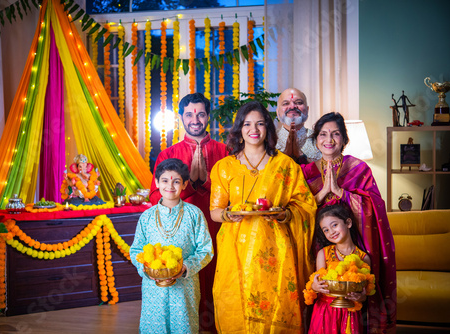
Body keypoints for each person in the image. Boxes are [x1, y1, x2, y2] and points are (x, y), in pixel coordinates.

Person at [209, 101, 317, 333]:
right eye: (247, 124)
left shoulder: (286, 166)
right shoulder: (224, 167)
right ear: (239, 129)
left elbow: (305, 205)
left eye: (259, 123)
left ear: (268, 128)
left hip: (276, 249)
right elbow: (215, 211)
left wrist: (286, 214)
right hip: (235, 247)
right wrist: (229, 214)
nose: (253, 129)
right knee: (234, 299)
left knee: (276, 300)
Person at [301, 112, 397, 334]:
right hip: (315, 247)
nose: (329, 139)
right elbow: (298, 211)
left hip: (353, 244)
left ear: (344, 139)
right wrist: (321, 193)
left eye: (336, 134)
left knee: (353, 300)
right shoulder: (305, 173)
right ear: (316, 140)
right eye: (323, 134)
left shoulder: (359, 169)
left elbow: (375, 207)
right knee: (320, 297)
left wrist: (341, 193)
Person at [150, 92, 227, 331]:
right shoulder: (167, 155)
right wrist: (190, 184)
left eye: (201, 114)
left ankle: (218, 326)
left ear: (208, 117)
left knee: (218, 279)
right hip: (181, 233)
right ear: (181, 117)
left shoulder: (225, 152)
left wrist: (204, 183)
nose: (195, 119)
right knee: (186, 285)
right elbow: (155, 198)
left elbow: (233, 193)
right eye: (189, 114)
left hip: (218, 229)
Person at [130, 158, 214, 334]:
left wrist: (185, 268)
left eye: (176, 181)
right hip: (153, 287)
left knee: (183, 326)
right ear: (157, 183)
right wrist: (145, 269)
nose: (170, 186)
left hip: (185, 287)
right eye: (165, 180)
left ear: (184, 184)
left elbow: (206, 249)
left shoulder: (194, 214)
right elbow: (136, 249)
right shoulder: (147, 216)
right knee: (154, 327)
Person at [309, 204, 372, 334]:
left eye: (334, 225)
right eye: (325, 230)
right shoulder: (323, 254)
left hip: (350, 314)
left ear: (348, 223)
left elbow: (365, 294)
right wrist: (315, 287)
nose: (331, 232)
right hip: (325, 311)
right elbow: (317, 283)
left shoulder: (363, 258)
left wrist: (360, 297)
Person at [275, 88, 322, 164]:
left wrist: (302, 157)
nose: (292, 106)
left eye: (299, 103)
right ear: (277, 112)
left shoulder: (320, 139)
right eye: (286, 103)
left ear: (307, 110)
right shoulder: (268, 140)